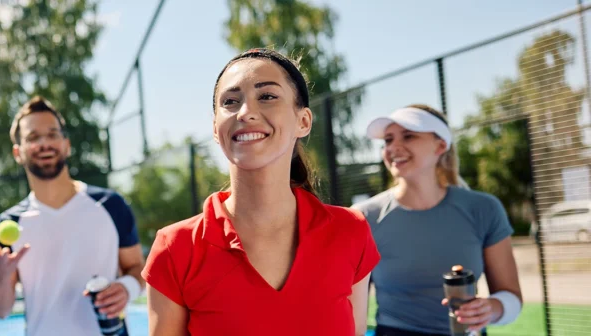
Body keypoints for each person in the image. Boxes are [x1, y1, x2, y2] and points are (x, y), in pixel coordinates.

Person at [141, 48, 380, 336]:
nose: (246, 112)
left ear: (303, 121)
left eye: (266, 96)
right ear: (216, 130)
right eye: (230, 101)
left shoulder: (350, 231)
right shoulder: (175, 248)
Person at [352, 104, 523, 336]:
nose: (393, 147)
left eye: (409, 136)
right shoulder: (363, 217)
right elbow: (347, 307)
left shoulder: (484, 208)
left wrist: (491, 309)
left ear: (440, 145)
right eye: (388, 140)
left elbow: (510, 295)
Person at [0, 96, 146, 336]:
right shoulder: (10, 223)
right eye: (33, 137)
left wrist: (126, 288)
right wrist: (0, 277)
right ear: (18, 153)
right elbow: (0, 309)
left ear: (66, 144)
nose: (44, 143)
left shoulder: (111, 205)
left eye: (52, 134)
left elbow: (137, 270)